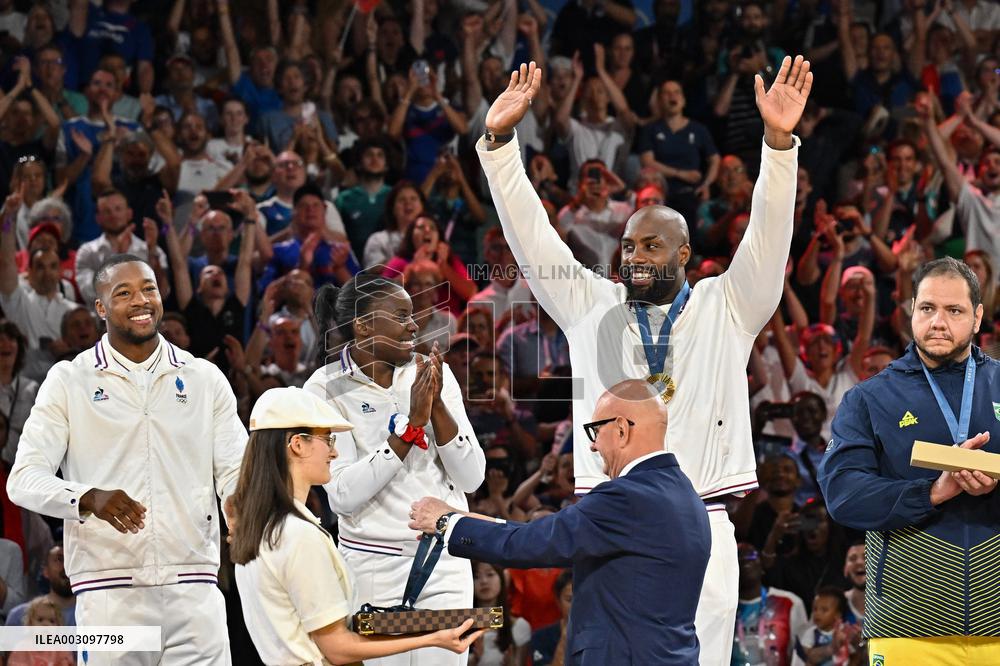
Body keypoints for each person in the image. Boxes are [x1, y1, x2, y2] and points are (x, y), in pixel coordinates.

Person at [475, 58, 812, 664]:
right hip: (612, 526)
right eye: (628, 245)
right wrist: (501, 146)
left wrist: (778, 145)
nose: (633, 255)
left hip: (702, 525)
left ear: (685, 252)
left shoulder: (727, 305)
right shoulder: (590, 304)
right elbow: (533, 240)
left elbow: (768, 238)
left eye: (651, 245)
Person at [6, 254, 247, 664]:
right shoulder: (69, 380)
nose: (141, 300)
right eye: (124, 293)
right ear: (100, 308)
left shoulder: (204, 378)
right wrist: (88, 498)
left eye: (149, 289)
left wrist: (241, 509)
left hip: (195, 587)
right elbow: (24, 478)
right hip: (109, 594)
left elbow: (236, 468)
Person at [410, 379, 711, 665]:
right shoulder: (688, 498)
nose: (593, 447)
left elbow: (532, 544)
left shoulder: (626, 497)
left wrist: (446, 524)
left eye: (595, 431)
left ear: (621, 429)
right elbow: (537, 532)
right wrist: (463, 516)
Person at [819, 257, 1000, 664]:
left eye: (954, 311)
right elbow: (843, 493)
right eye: (928, 308)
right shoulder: (869, 398)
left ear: (977, 317)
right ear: (911, 310)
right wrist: (934, 491)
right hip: (908, 627)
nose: (939, 322)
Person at [304, 272, 485, 666]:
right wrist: (410, 428)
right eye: (401, 315)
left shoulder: (434, 373)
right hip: (372, 567)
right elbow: (343, 496)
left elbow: (472, 477)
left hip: (444, 566)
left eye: (413, 315)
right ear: (364, 325)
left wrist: (435, 406)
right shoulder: (324, 388)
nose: (414, 325)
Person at [229, 386, 482, 665]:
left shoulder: (259, 528)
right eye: (327, 439)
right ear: (297, 444)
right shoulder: (297, 534)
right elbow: (338, 648)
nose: (334, 453)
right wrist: (433, 638)